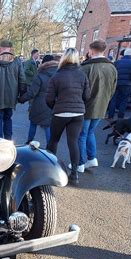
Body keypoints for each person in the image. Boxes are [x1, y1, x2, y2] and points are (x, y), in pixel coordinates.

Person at [46, 48, 91, 185]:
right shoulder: (82, 75)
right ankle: (74, 174)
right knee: (73, 142)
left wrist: (55, 107)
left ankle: (50, 169)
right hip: (78, 113)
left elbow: (49, 98)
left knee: (54, 140)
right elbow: (87, 96)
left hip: (60, 112)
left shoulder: (56, 76)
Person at [74, 40, 117, 173]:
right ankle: (91, 158)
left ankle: (80, 163)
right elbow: (113, 89)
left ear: (91, 50)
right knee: (90, 132)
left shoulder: (85, 68)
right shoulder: (112, 68)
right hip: (102, 106)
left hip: (86, 107)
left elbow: (78, 90)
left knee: (81, 134)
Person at [0, 39, 26, 140]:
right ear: (10, 48)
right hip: (11, 97)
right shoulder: (17, 62)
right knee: (8, 119)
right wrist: (21, 95)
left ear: (1, 48)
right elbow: (22, 80)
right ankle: (8, 141)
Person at [19, 54, 59, 145]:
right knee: (48, 126)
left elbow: (32, 92)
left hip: (39, 104)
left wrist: (21, 99)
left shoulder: (40, 74)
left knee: (33, 123)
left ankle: (29, 142)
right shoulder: (59, 74)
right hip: (53, 103)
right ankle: (51, 147)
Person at [107, 48, 131, 120]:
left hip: (116, 83)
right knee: (124, 100)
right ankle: (120, 117)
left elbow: (112, 74)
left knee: (113, 99)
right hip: (127, 84)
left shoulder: (117, 62)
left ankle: (110, 116)